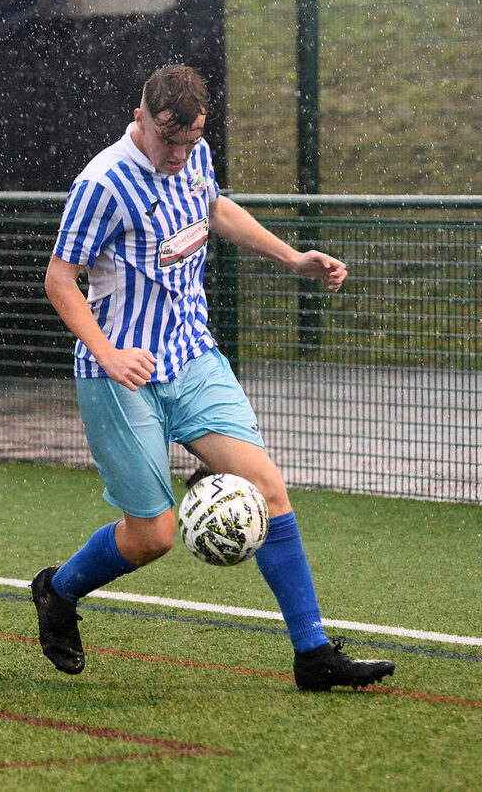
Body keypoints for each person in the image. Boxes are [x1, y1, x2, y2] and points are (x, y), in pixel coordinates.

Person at [32, 64, 395, 693]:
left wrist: (292, 258)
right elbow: (59, 280)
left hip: (193, 356)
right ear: (140, 117)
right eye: (168, 140)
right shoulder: (103, 182)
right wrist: (110, 354)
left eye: (190, 139)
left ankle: (312, 653)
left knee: (269, 490)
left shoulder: (194, 157)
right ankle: (58, 591)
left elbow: (215, 209)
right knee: (153, 537)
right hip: (121, 376)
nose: (179, 154)